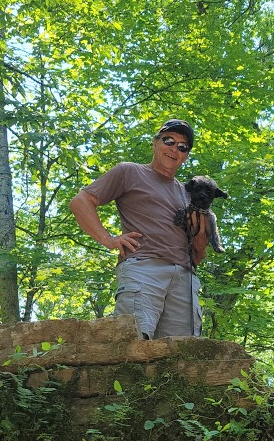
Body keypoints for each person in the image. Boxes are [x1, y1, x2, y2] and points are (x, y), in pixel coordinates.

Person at [68, 120, 218, 339]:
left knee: (184, 353)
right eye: (169, 141)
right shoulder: (129, 172)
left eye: (182, 146)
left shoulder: (189, 194)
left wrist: (203, 233)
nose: (174, 149)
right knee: (133, 341)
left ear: (186, 155)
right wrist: (107, 238)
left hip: (184, 278)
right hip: (144, 269)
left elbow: (198, 253)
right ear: (155, 143)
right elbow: (81, 202)